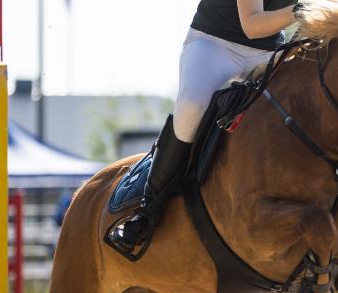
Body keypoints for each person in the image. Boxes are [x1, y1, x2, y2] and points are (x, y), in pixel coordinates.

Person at [110, 0, 300, 254]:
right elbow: (253, 25)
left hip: (268, 53)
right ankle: (148, 212)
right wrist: (303, 10)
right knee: (192, 106)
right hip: (215, 44)